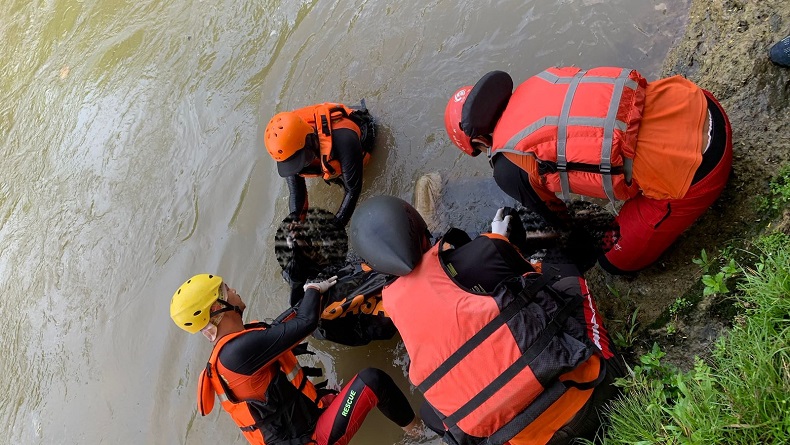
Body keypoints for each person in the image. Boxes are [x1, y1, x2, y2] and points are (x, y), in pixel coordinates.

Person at [349, 195, 626, 445]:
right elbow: (529, 276)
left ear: (372, 266)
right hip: (593, 397)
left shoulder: (397, 310)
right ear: (419, 227)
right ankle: (615, 364)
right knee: (560, 271)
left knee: (432, 411)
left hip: (529, 441)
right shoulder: (480, 252)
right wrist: (498, 240)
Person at [444, 67, 733, 275]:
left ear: (480, 141)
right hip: (701, 103)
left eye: (480, 151)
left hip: (700, 168)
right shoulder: (540, 80)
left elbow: (557, 219)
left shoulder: (508, 165)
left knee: (612, 261)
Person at [169, 273, 418, 445]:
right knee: (372, 381)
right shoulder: (238, 353)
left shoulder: (231, 350)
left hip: (302, 428)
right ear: (216, 309)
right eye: (226, 290)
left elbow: (284, 327)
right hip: (310, 440)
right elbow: (305, 323)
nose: (233, 290)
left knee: (338, 393)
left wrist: (316, 297)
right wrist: (312, 289)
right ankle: (420, 433)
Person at [265, 101, 376, 228]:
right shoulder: (289, 147)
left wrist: (334, 227)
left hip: (360, 133)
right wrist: (295, 224)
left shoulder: (344, 140)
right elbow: (297, 193)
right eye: (293, 163)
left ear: (309, 140)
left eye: (301, 160)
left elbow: (353, 190)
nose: (299, 167)